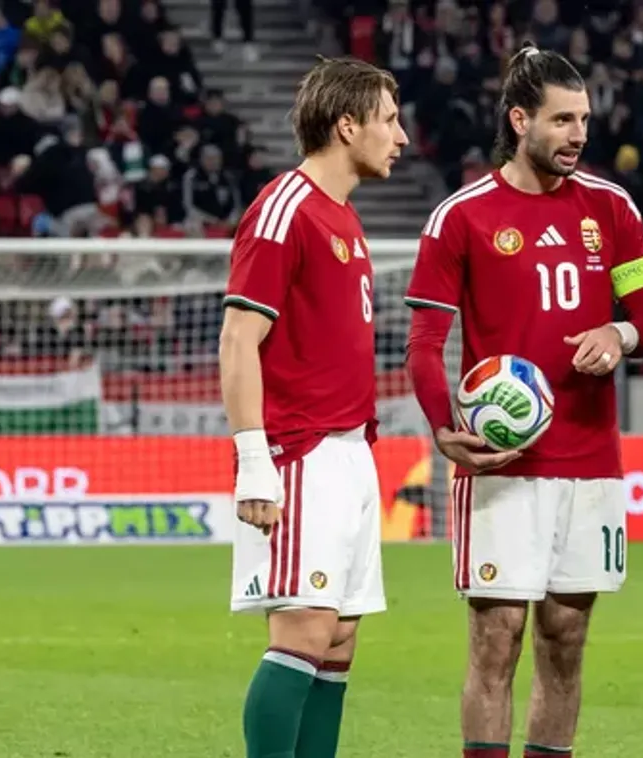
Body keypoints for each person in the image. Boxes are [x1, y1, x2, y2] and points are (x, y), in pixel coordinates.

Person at [404, 44, 643, 758]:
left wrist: (617, 332)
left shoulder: (610, 209)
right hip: (503, 466)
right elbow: (424, 344)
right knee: (496, 639)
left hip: (590, 461)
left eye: (583, 119)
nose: (578, 134)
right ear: (519, 120)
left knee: (565, 638)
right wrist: (443, 427)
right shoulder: (461, 216)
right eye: (561, 120)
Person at [219, 57, 407, 758]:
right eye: (389, 120)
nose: (401, 137)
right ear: (347, 125)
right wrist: (254, 460)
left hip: (350, 449)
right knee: (303, 628)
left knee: (338, 639)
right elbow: (238, 338)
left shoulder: (343, 217)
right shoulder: (284, 208)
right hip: (299, 451)